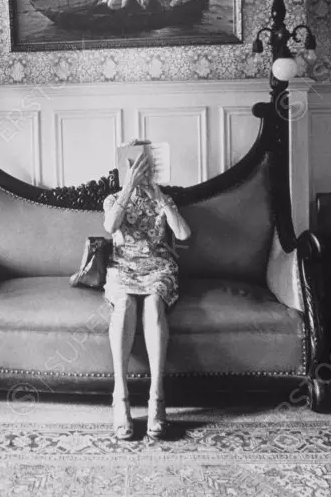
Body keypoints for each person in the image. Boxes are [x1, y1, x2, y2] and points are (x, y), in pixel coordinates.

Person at [102, 143, 191, 440]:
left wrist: (162, 200)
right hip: (123, 268)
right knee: (125, 304)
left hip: (157, 268)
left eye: (145, 167)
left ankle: (157, 397)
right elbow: (110, 225)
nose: (140, 173)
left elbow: (183, 234)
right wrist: (128, 188)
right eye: (135, 168)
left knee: (153, 304)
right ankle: (121, 396)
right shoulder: (113, 198)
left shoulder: (163, 199)